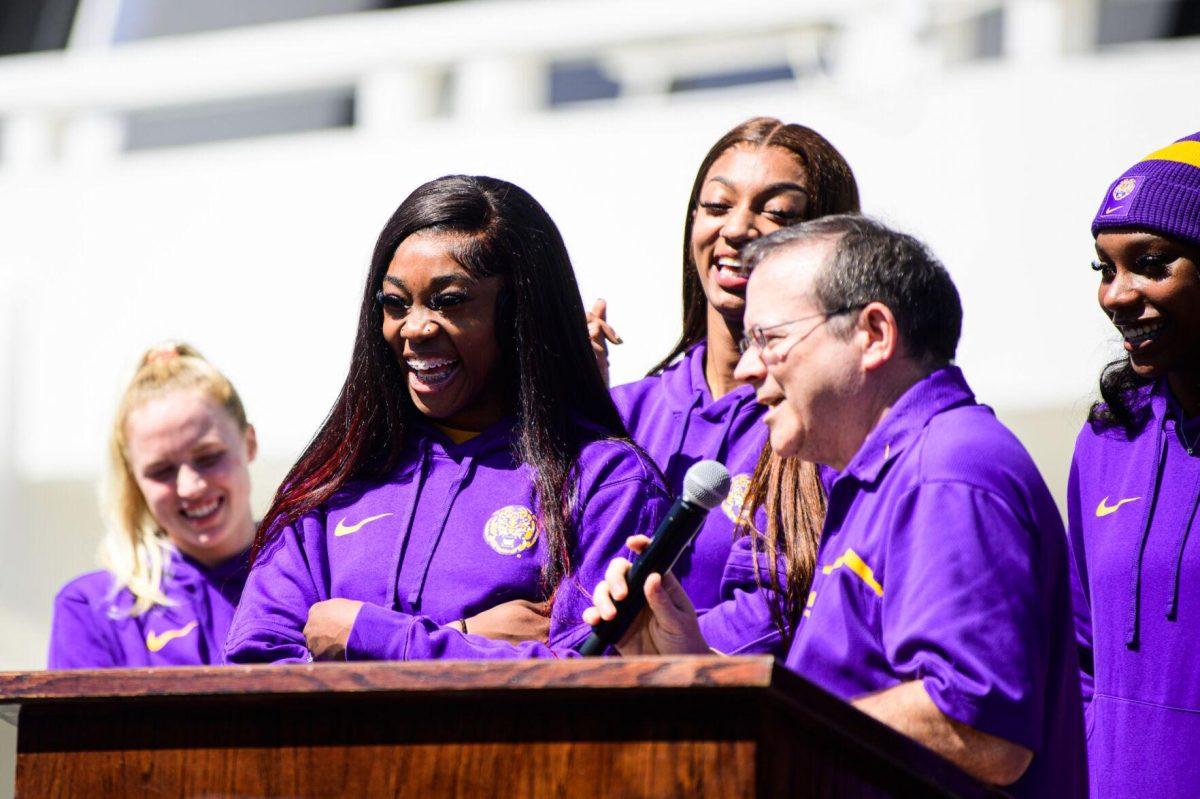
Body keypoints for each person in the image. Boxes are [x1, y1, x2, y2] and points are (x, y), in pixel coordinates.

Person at [586, 216, 1085, 795]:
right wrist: (693, 665)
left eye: (767, 340)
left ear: (873, 333)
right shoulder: (886, 473)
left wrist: (766, 719)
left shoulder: (945, 471)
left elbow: (978, 726)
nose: (746, 368)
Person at [224, 175, 669, 663]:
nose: (415, 328)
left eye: (449, 301)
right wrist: (467, 636)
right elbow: (257, 664)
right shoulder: (334, 480)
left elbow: (590, 674)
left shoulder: (608, 481)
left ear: (521, 312)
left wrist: (371, 636)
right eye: (395, 304)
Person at [596, 117, 860, 654]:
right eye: (717, 207)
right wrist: (569, 412)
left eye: (778, 213)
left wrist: (662, 654)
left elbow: (798, 608)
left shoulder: (837, 425)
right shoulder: (622, 412)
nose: (737, 229)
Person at [1069, 131, 1200, 798]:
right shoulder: (1106, 439)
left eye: (1151, 263)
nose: (1117, 294)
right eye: (1105, 268)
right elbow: (1081, 658)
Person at [48, 343, 258, 668]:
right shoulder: (92, 608)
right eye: (161, 471)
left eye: (209, 458)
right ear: (134, 479)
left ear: (249, 444)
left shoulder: (311, 576)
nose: (191, 487)